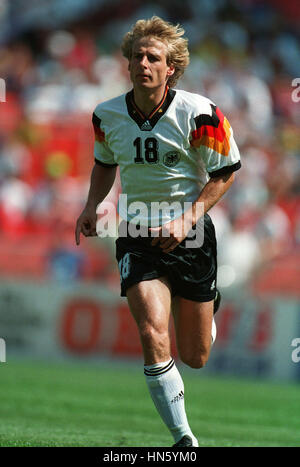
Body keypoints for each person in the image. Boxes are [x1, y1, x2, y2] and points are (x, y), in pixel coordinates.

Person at [75, 16, 241, 447]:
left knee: (196, 356)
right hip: (136, 234)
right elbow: (104, 163)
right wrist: (92, 206)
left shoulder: (200, 112)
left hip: (191, 236)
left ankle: (207, 314)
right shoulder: (106, 114)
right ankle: (184, 438)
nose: (143, 63)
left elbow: (226, 173)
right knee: (151, 331)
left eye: (153, 57)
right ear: (127, 64)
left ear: (171, 68)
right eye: (137, 56)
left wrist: (187, 218)